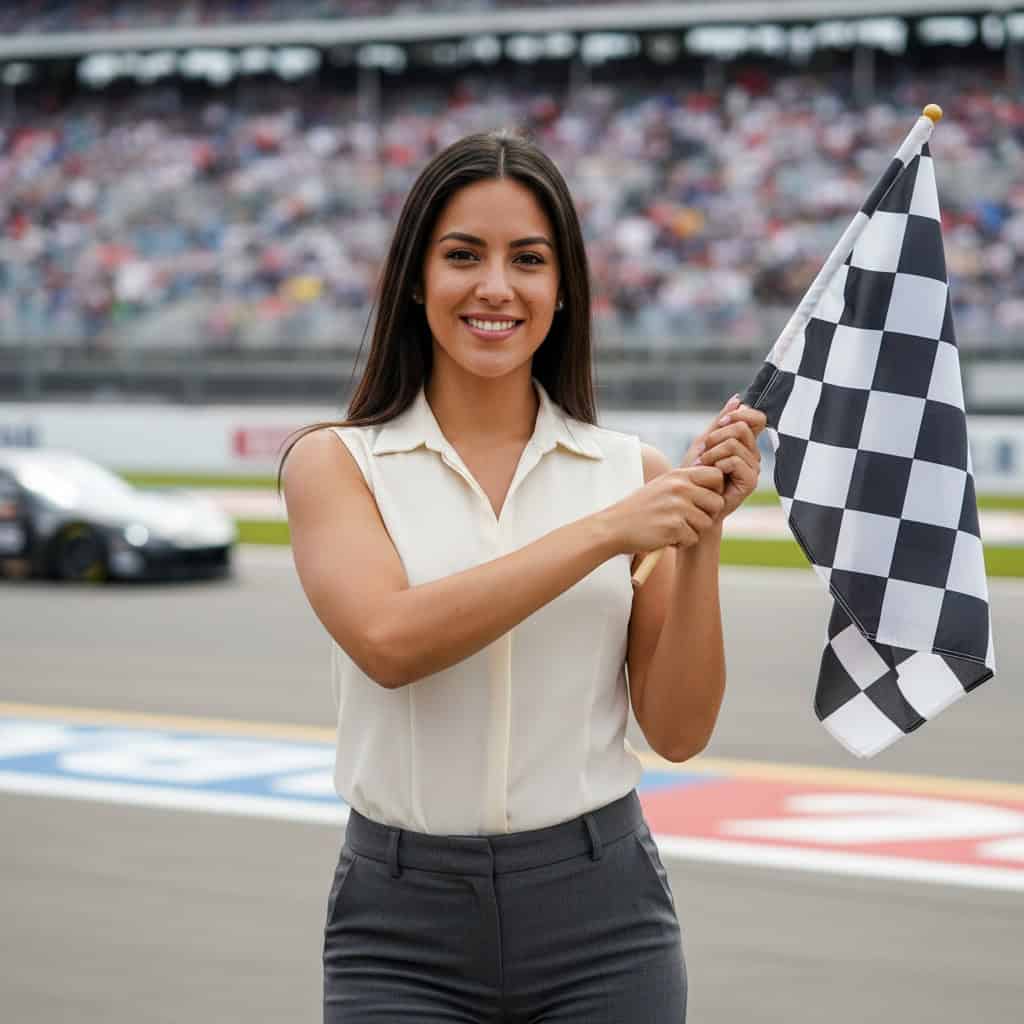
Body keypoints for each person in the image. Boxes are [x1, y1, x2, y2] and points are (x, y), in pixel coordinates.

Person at [279, 129, 766, 1023]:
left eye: (529, 260)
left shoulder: (637, 473)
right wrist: (608, 532)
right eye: (463, 254)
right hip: (401, 929)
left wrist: (700, 535)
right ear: (413, 279)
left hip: (604, 916)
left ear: (564, 291)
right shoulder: (336, 463)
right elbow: (390, 641)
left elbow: (679, 729)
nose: (496, 287)